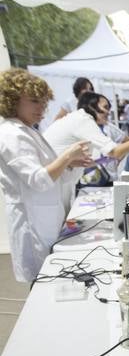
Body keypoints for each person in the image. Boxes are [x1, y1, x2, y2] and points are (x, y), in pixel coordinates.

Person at [0, 69, 92, 283]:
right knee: (42, 283)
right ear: (12, 100)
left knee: (49, 279)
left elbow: (51, 173)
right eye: (34, 101)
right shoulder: (12, 135)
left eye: (44, 102)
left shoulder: (27, 130)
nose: (41, 108)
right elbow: (39, 179)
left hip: (45, 220)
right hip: (32, 226)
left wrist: (69, 163)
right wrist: (67, 156)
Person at [44, 92, 129, 210]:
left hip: (58, 184)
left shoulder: (78, 120)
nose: (108, 112)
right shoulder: (83, 120)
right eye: (105, 107)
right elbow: (115, 151)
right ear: (91, 106)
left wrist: (101, 160)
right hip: (52, 185)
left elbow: (82, 160)